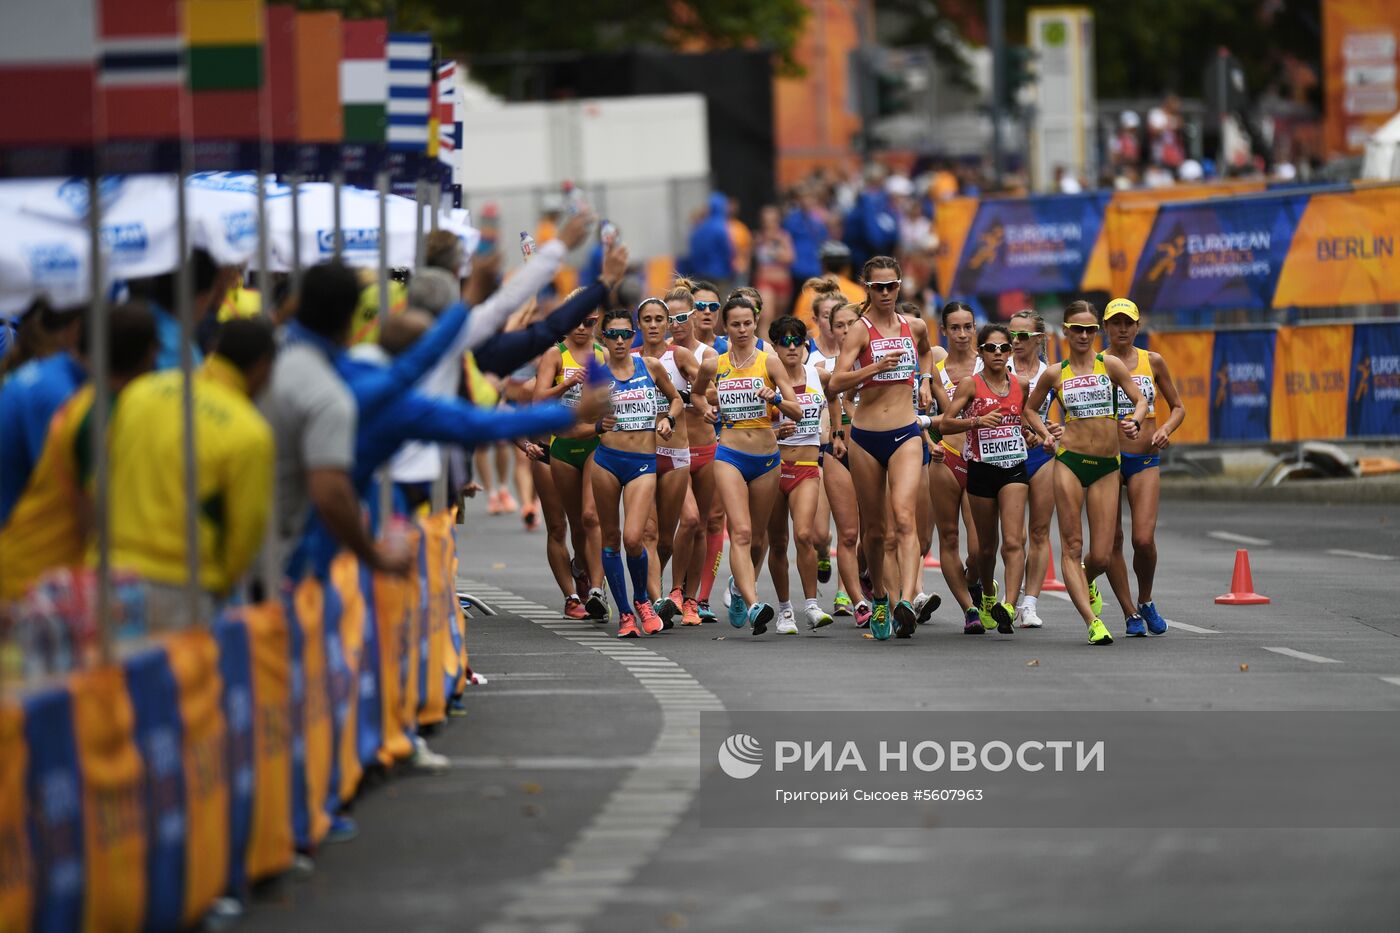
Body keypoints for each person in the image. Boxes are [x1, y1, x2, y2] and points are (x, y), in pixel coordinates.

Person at [107, 318, 278, 624]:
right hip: (184, 585)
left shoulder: (140, 392)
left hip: (111, 575)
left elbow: (102, 473)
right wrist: (221, 581)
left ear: (214, 350)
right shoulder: (250, 431)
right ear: (262, 366)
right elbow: (246, 530)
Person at [262, 261, 414, 581]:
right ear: (348, 316)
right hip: (284, 558)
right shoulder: (328, 393)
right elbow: (330, 493)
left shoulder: (263, 353)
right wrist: (372, 555)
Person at [0, 303, 158, 600]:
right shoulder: (67, 397)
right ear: (149, 355)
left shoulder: (60, 379)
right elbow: (87, 512)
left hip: (33, 563)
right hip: (34, 576)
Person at [1024, 300, 1148, 646]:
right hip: (1069, 462)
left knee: (1103, 555)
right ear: (1064, 331)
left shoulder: (1109, 365)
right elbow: (1030, 410)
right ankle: (1093, 622)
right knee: (1073, 546)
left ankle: (1083, 579)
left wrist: (1136, 420)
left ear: (1096, 332)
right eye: (1076, 329)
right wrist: (1047, 435)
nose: (1082, 335)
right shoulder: (1055, 373)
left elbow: (1140, 400)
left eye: (1089, 329)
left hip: (1108, 466)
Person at [826, 257, 935, 640]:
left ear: (901, 286)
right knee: (874, 531)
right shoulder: (859, 330)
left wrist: (924, 379)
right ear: (867, 288)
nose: (886, 293)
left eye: (892, 286)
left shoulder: (914, 325)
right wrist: (872, 368)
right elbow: (836, 383)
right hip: (866, 437)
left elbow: (925, 351)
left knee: (905, 519)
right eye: (878, 287)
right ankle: (881, 601)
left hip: (905, 432)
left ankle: (906, 599)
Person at [690, 295, 801, 635]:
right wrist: (706, 410)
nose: (741, 330)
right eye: (734, 324)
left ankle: (739, 588)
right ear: (726, 326)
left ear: (756, 323)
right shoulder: (715, 364)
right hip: (730, 455)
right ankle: (755, 605)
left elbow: (797, 410)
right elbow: (695, 395)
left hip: (766, 458)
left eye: (747, 323)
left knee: (757, 539)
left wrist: (776, 399)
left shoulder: (770, 362)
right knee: (738, 531)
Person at [591, 308, 684, 638]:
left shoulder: (651, 366)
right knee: (612, 538)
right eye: (612, 335)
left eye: (624, 334)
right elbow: (578, 417)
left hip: (643, 462)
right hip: (606, 461)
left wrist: (667, 419)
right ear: (604, 339)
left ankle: (643, 600)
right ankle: (626, 614)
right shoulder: (597, 374)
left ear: (634, 336)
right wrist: (595, 424)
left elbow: (676, 401)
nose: (619, 341)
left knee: (634, 538)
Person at [1100, 298, 1185, 637]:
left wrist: (1165, 429)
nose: (1122, 329)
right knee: (1111, 542)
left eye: (1128, 323)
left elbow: (1178, 407)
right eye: (1115, 323)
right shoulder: (1094, 364)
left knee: (1143, 539)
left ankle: (1146, 599)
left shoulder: (1153, 361)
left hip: (1144, 457)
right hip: (1106, 459)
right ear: (1105, 327)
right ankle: (1129, 612)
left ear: (1138, 326)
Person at [939, 324, 1031, 636]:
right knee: (986, 549)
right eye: (990, 348)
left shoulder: (1022, 385)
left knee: (1014, 540)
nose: (997, 354)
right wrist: (977, 420)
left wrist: (1037, 434)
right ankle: (989, 596)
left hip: (1014, 467)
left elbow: (1025, 419)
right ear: (980, 352)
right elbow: (946, 423)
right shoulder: (970, 385)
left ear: (1010, 353)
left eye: (1003, 348)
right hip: (980, 468)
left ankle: (1008, 603)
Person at [536, 308, 609, 620]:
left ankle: (596, 589)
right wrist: (567, 385)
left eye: (590, 322)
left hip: (595, 440)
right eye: (577, 321)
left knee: (593, 517)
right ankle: (577, 577)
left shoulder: (603, 354)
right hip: (563, 444)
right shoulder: (555, 355)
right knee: (574, 523)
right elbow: (538, 400)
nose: (583, 327)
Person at [765, 315, 835, 632]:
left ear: (805, 344)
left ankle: (811, 606)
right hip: (772, 466)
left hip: (807, 465)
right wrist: (775, 431)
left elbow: (839, 395)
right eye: (785, 342)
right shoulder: (766, 380)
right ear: (775, 347)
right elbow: (748, 426)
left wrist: (838, 433)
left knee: (804, 534)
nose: (792, 347)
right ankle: (784, 611)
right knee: (777, 543)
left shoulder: (817, 374)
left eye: (797, 341)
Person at [636, 297, 701, 625]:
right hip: (642, 454)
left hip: (676, 452)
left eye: (658, 319)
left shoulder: (680, 356)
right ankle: (656, 597)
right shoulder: (629, 358)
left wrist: (698, 395)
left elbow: (708, 388)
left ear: (667, 323)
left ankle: (668, 590)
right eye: (646, 319)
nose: (653, 324)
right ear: (639, 324)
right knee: (648, 531)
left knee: (674, 530)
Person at [663, 282, 720, 626]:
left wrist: (699, 395)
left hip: (707, 447)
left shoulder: (707, 356)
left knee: (702, 526)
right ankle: (669, 590)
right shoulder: (660, 356)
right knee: (687, 520)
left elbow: (715, 395)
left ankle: (691, 600)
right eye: (670, 318)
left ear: (695, 316)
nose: (675, 324)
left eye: (682, 316)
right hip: (674, 451)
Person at [0, 302, 84, 527]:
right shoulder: (52, 388)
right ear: (74, 330)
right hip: (26, 533)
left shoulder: (36, 374)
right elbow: (57, 476)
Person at [929, 300, 984, 624]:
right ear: (945, 331)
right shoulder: (935, 372)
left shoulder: (989, 363)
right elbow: (932, 416)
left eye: (968, 327)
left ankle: (974, 578)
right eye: (955, 328)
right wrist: (928, 433)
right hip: (946, 457)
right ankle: (969, 609)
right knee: (948, 537)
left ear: (975, 328)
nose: (962, 334)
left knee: (979, 549)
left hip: (982, 460)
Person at [1008, 310, 1060, 629]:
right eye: (1011, 334)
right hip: (1004, 456)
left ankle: (1029, 603)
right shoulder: (997, 365)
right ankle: (1003, 596)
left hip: (1040, 456)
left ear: (1039, 339)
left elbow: (1075, 413)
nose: (1015, 341)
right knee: (1011, 537)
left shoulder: (1050, 373)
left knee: (1039, 531)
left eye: (1023, 336)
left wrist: (1062, 430)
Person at [815, 296, 866, 623]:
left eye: (851, 324)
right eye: (839, 325)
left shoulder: (879, 359)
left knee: (871, 533)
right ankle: (827, 560)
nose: (846, 330)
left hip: (873, 449)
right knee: (825, 534)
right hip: (827, 450)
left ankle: (854, 592)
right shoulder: (819, 367)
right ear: (829, 329)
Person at [791, 241, 865, 334]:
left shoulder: (810, 291)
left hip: (816, 346)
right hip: (849, 344)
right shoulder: (858, 291)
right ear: (847, 267)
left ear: (823, 266)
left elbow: (797, 327)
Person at [783, 186, 827, 297]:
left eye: (809, 198)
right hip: (797, 267)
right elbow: (786, 241)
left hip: (815, 267)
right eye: (803, 198)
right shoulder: (791, 219)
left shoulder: (819, 220)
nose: (806, 201)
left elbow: (823, 240)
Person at [686, 193, 734, 295]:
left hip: (701, 274)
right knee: (720, 301)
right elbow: (728, 251)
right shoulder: (721, 227)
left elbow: (694, 252)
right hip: (721, 274)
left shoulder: (699, 228)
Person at [752, 205, 794, 316]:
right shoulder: (758, 238)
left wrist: (775, 253)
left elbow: (790, 258)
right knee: (766, 315)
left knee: (779, 318)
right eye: (766, 220)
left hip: (782, 281)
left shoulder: (783, 237)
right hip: (764, 281)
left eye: (772, 220)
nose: (769, 223)